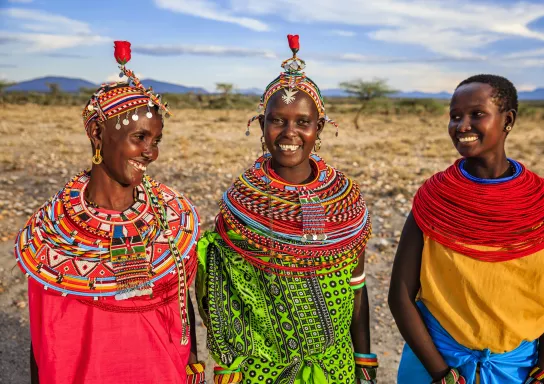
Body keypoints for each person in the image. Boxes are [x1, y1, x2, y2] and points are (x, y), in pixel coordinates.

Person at [14, 41, 205, 384]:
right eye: (139, 137)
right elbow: (46, 339)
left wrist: (192, 365)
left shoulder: (172, 217)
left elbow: (181, 305)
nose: (150, 153)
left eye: (156, 141)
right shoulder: (51, 234)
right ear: (98, 133)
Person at [195, 34, 377, 384]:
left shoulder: (346, 200)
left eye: (302, 122)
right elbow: (223, 295)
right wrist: (228, 367)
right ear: (261, 126)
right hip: (260, 370)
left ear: (319, 128)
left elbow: (357, 286)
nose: (289, 132)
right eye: (277, 120)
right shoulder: (241, 205)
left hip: (335, 366)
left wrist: (363, 360)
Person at [388, 74, 544, 384]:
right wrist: (440, 373)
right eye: (455, 116)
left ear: (508, 120)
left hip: (517, 371)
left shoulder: (543, 205)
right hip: (436, 364)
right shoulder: (434, 199)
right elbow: (399, 295)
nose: (462, 125)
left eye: (477, 114)